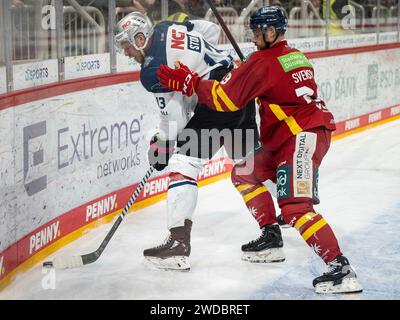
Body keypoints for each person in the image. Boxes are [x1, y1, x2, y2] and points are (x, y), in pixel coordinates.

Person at [156, 6, 362, 294]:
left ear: (272, 32)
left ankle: (340, 267)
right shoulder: (294, 56)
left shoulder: (263, 62)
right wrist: (248, 71)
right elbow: (270, 80)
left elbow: (225, 99)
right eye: (251, 31)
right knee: (244, 173)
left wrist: (191, 83)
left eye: (257, 32)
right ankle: (270, 236)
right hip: (293, 137)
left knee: (295, 208)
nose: (253, 37)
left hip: (300, 138)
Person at [114, 12, 258, 270]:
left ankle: (178, 244)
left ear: (139, 38)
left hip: (216, 100)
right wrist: (196, 66)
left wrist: (162, 146)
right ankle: (273, 231)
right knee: (247, 165)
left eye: (126, 46)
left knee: (183, 162)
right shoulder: (167, 26)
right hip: (239, 87)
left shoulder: (152, 70)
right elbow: (210, 31)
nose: (125, 53)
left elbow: (175, 117)